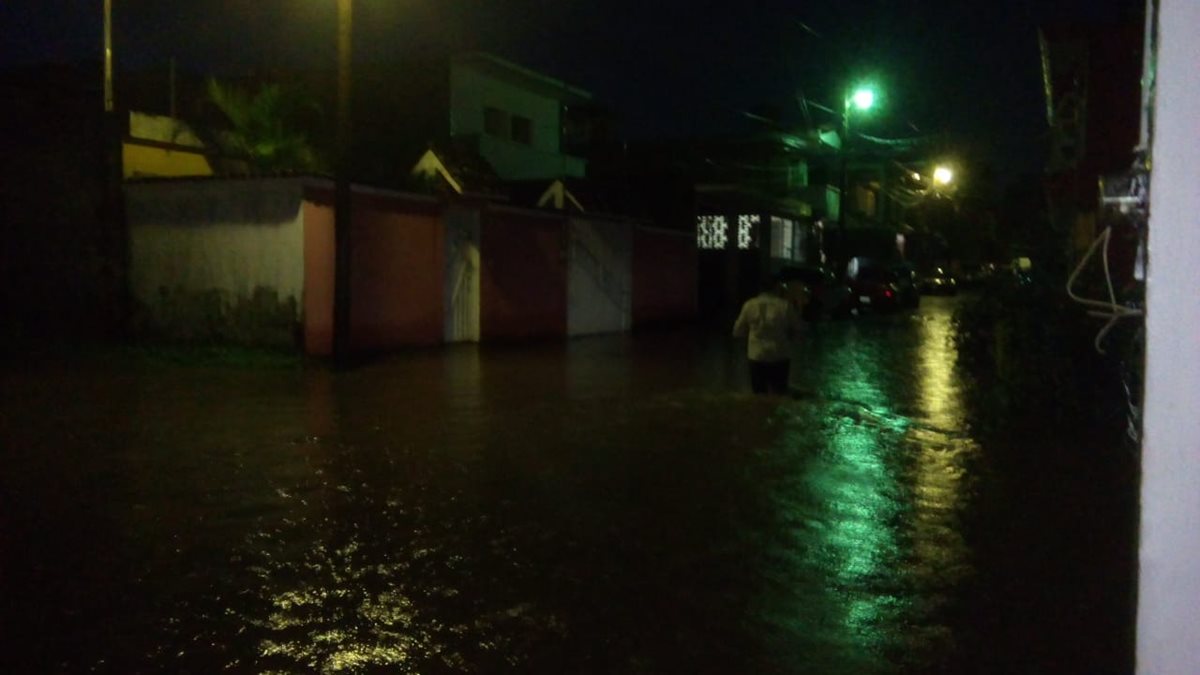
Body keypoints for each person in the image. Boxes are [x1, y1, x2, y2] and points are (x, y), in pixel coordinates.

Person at [732, 274, 804, 395]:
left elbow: (737, 332)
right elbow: (799, 329)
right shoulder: (785, 306)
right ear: (776, 287)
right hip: (780, 355)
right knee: (779, 394)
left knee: (759, 396)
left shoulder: (750, 305)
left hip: (756, 356)